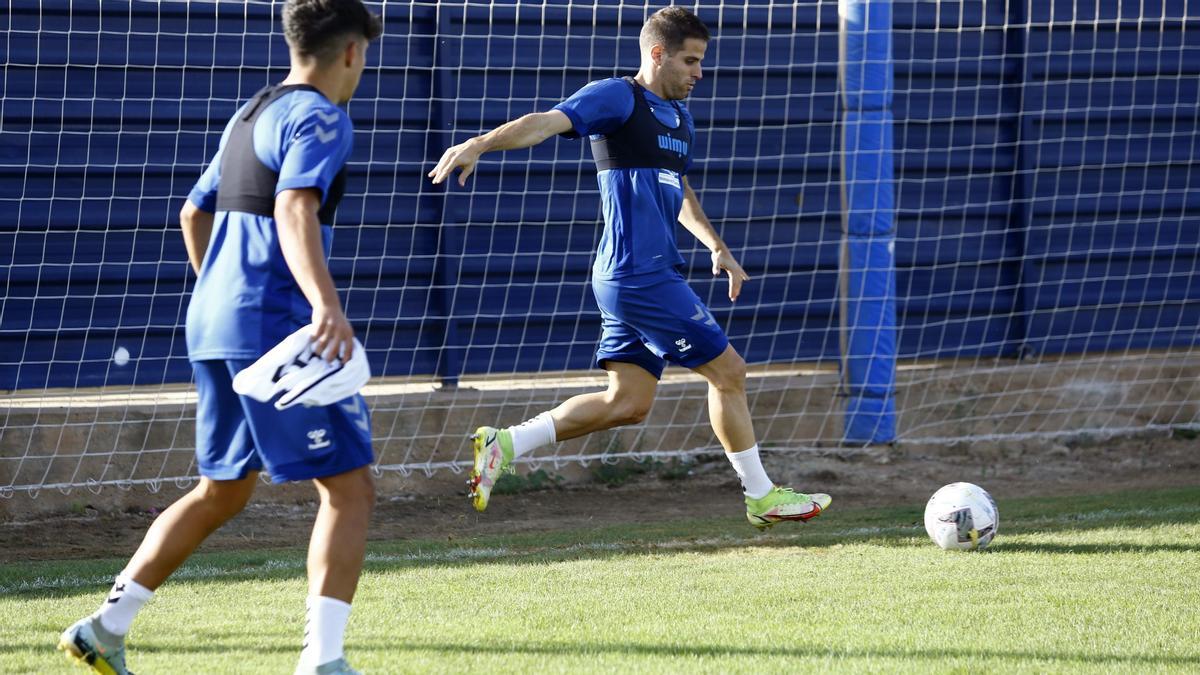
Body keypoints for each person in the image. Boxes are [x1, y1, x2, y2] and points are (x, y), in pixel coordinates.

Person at [58, 2, 381, 674]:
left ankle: (104, 627)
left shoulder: (251, 113)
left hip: (214, 321)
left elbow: (192, 211)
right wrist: (326, 304)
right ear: (351, 52)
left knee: (223, 488)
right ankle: (323, 662)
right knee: (348, 488)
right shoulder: (322, 117)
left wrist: (223, 294)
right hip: (271, 322)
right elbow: (296, 205)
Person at [429, 7, 831, 529]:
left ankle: (504, 443)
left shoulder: (680, 119)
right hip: (639, 276)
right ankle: (761, 496)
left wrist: (715, 245)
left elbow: (678, 187)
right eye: (690, 61)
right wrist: (481, 142)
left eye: (702, 62)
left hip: (641, 276)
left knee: (629, 403)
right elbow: (545, 123)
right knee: (729, 373)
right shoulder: (618, 97)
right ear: (657, 53)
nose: (699, 73)